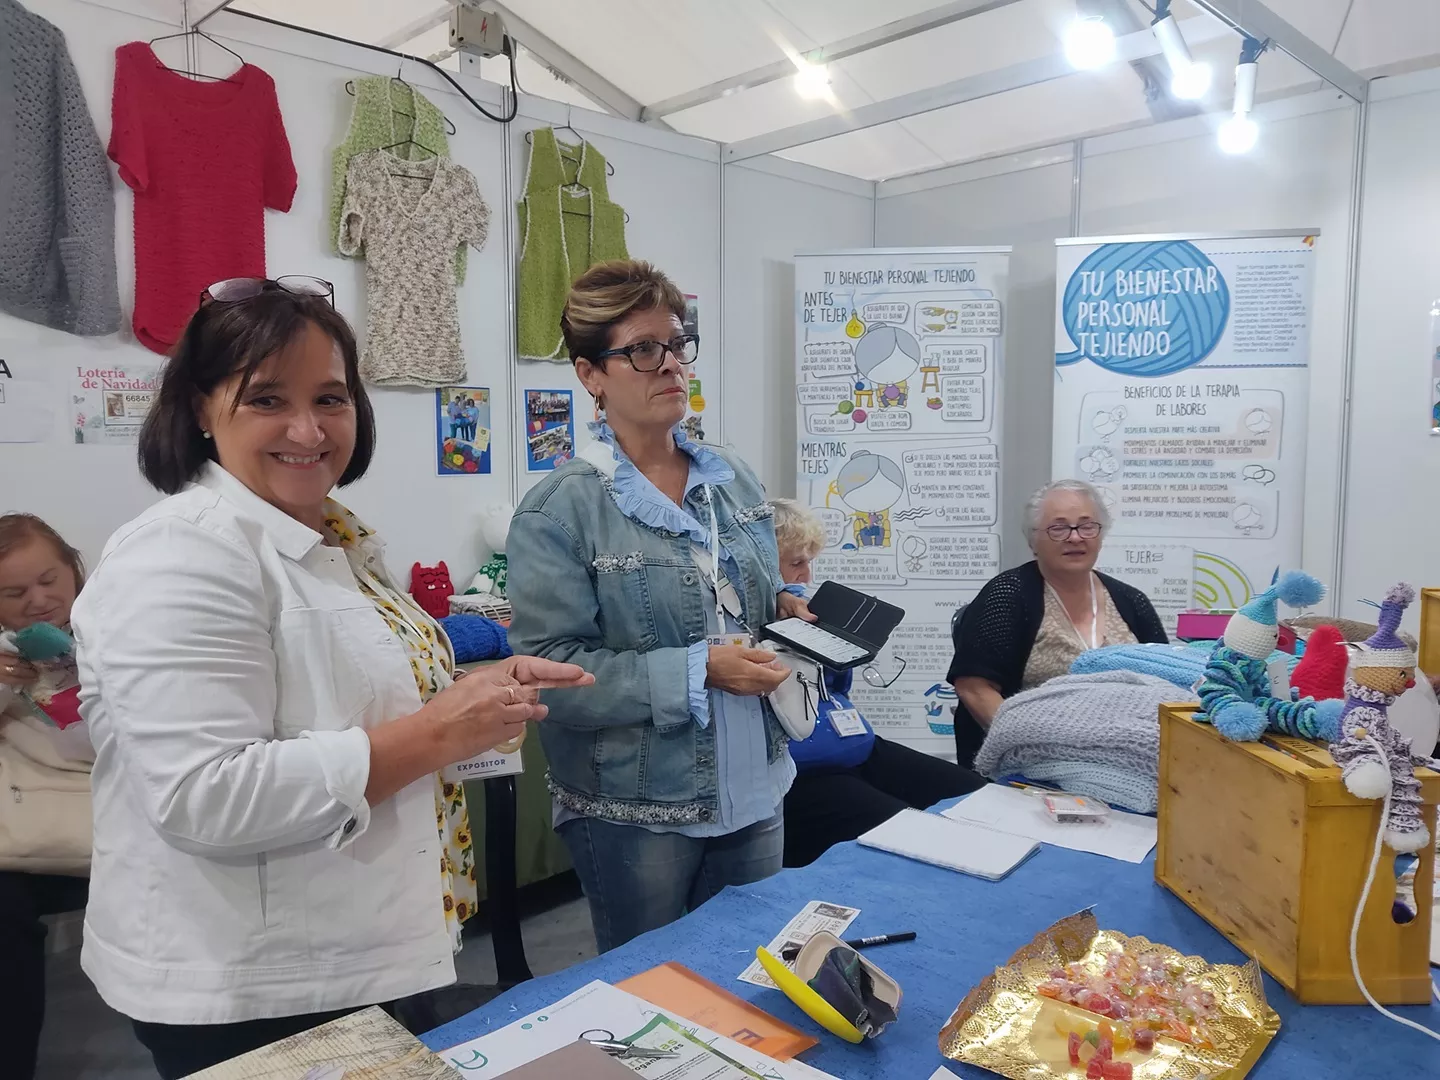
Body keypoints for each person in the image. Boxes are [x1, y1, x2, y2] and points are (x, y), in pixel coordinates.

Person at [69, 278, 592, 1079]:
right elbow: (203, 793)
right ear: (203, 407)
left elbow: (341, 683)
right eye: (267, 399)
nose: (308, 429)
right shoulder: (181, 554)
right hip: (252, 988)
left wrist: (474, 685)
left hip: (360, 953)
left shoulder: (332, 537)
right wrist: (436, 732)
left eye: (331, 398)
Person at [507, 259, 811, 952]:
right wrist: (698, 670)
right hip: (638, 811)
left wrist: (785, 605)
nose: (670, 364)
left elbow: (744, 600)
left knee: (749, 978)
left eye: (676, 344)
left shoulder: (732, 479)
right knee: (654, 999)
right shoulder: (559, 512)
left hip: (756, 786)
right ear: (590, 374)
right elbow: (550, 677)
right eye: (642, 350)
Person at [770, 499, 987, 867]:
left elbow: (838, 689)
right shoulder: (733, 623)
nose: (807, 576)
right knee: (912, 831)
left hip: (852, 744)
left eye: (810, 561)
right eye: (796, 563)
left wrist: (830, 640)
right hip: (802, 770)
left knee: (978, 796)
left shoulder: (806, 608)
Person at [947, 479, 1168, 767]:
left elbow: (1166, 683)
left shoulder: (1132, 601)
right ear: (1033, 540)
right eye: (1058, 528)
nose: (1075, 537)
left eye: (1087, 526)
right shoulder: (1007, 595)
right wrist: (1029, 748)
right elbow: (974, 688)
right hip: (1031, 760)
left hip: (1131, 758)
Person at [0, 515, 92, 1080]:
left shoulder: (125, 628)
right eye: (14, 592)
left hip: (128, 822)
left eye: (49, 580)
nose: (38, 602)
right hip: (28, 840)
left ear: (74, 573)